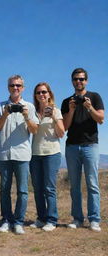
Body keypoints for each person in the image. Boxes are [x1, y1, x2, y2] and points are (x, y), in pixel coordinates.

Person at [0, 75, 39, 234]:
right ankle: (6, 220)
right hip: (4, 153)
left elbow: (34, 130)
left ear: (23, 88)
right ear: (8, 87)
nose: (15, 88)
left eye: (18, 85)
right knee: (4, 189)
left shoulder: (30, 107)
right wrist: (5, 114)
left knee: (23, 190)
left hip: (22, 154)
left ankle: (18, 221)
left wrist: (26, 116)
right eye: (12, 85)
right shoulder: (0, 106)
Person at [61, 68, 104, 232]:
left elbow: (100, 119)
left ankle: (94, 219)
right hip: (72, 146)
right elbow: (65, 126)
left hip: (90, 145)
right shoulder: (67, 101)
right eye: (76, 79)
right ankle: (77, 218)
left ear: (86, 80)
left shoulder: (94, 97)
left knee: (92, 184)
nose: (79, 82)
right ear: (72, 81)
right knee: (75, 185)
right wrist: (71, 110)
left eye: (81, 79)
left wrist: (89, 107)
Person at [29, 82, 64, 232]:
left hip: (51, 153)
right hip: (35, 154)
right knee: (38, 188)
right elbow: (32, 131)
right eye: (38, 93)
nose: (41, 95)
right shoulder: (33, 112)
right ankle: (41, 218)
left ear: (49, 94)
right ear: (35, 96)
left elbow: (61, 133)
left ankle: (52, 220)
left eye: (44, 92)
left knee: (49, 188)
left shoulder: (56, 111)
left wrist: (54, 118)